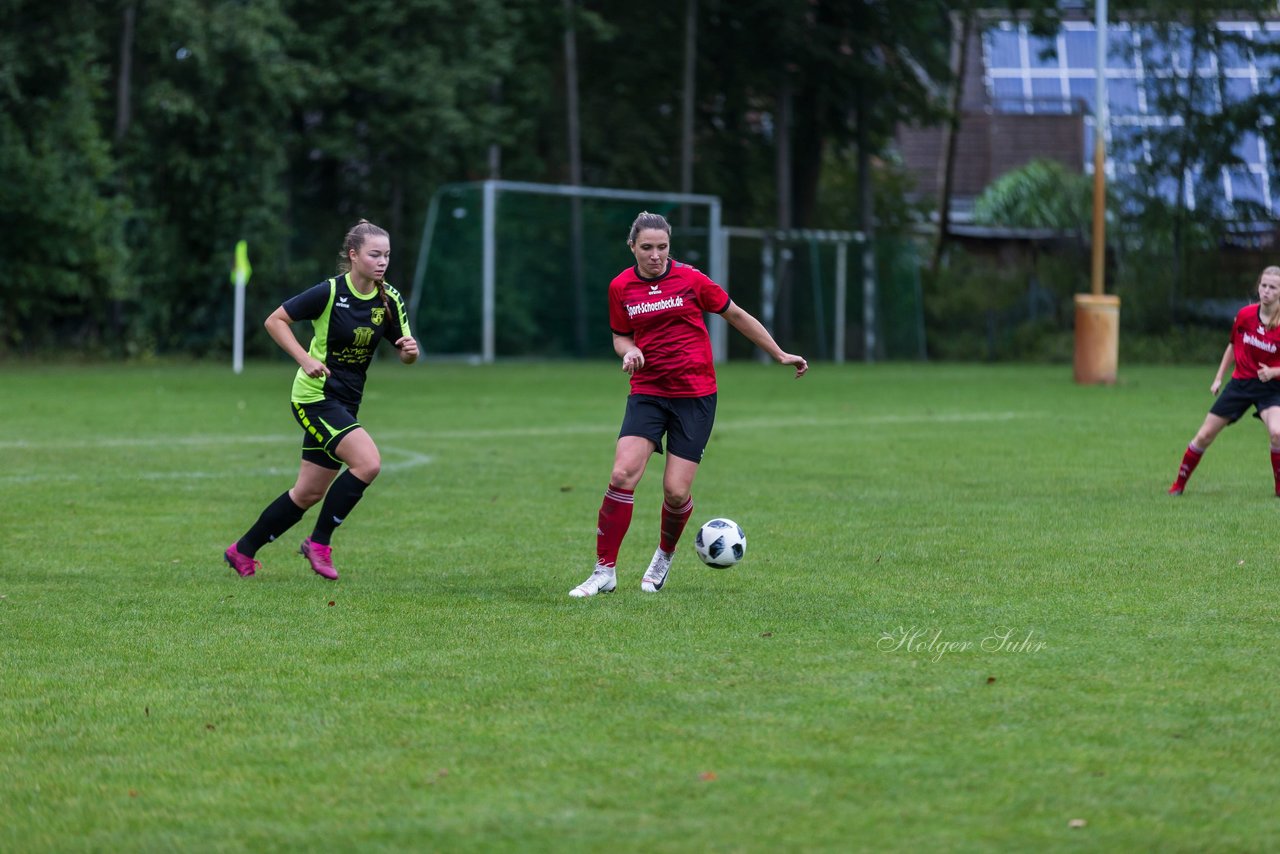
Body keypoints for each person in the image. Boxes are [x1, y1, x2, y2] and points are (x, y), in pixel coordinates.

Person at [569, 211, 808, 597]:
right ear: (632, 247)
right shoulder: (620, 287)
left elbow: (736, 315)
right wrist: (629, 353)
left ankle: (664, 555)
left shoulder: (692, 280)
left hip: (695, 396)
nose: (655, 255)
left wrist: (778, 354)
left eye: (662, 247)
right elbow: (620, 336)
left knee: (676, 492)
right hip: (647, 391)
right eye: (647, 248)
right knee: (622, 474)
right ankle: (604, 571)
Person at [223, 220, 419, 580]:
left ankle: (242, 550)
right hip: (315, 397)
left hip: (347, 401)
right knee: (368, 463)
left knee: (308, 492)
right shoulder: (329, 293)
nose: (382, 262)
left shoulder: (388, 298)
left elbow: (405, 353)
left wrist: (409, 351)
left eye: (387, 255)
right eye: (375, 254)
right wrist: (305, 358)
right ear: (353, 255)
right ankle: (319, 543)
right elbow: (275, 320)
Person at [1169, 265, 1280, 497]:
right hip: (1240, 384)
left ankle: (1279, 488)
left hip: (1271, 388)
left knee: (1277, 432)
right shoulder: (1245, 315)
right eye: (1263, 285)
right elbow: (1232, 345)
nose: (1266, 291)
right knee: (1204, 435)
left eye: (1272, 287)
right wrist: (1218, 377)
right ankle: (1178, 485)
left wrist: (1273, 372)